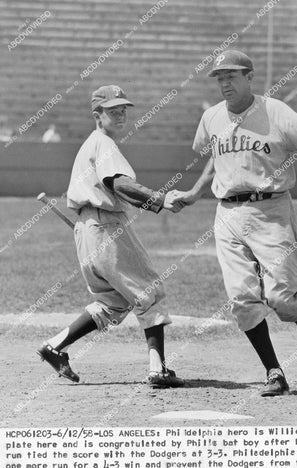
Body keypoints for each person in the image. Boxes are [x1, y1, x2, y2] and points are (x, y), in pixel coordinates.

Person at [171, 50, 297, 396]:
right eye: (219, 77)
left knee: (281, 296)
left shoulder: (274, 111)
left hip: (270, 210)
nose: (224, 83)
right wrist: (196, 192)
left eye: (231, 76)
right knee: (241, 297)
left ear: (249, 77)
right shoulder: (211, 117)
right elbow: (215, 155)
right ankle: (274, 372)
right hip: (227, 214)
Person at [37, 85, 184, 388]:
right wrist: (158, 200)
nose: (120, 114)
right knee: (149, 292)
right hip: (105, 228)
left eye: (123, 109)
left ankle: (55, 346)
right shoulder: (103, 144)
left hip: (87, 230)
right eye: (112, 109)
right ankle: (159, 370)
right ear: (97, 115)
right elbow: (118, 183)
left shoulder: (92, 144)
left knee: (113, 302)